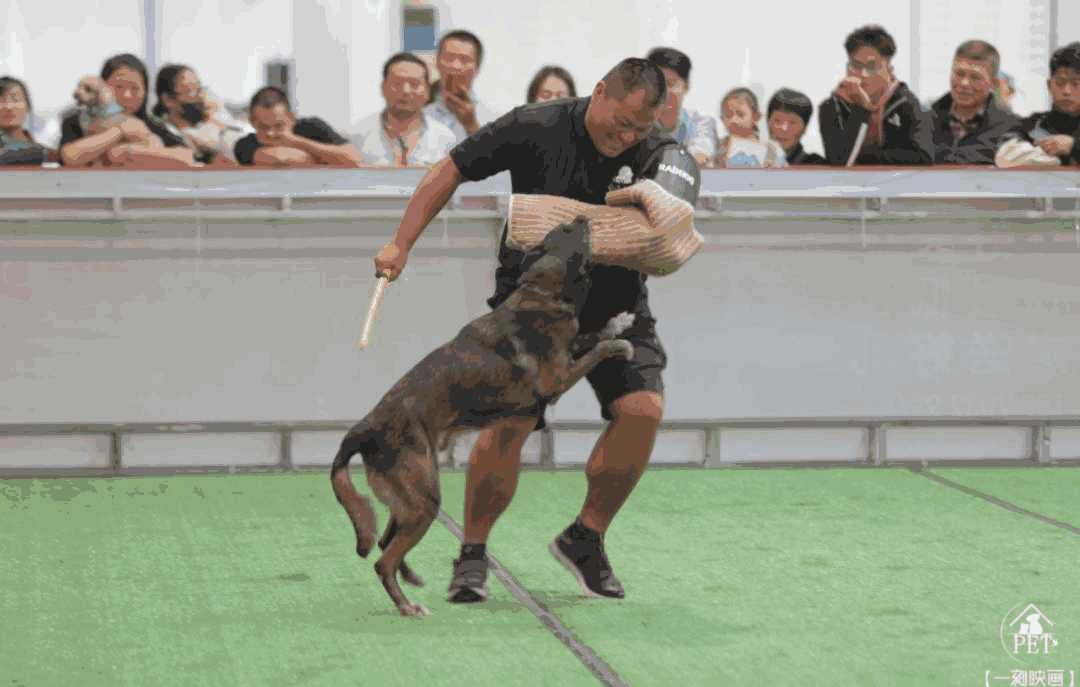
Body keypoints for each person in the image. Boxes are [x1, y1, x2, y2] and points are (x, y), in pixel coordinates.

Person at [372, 57, 700, 603]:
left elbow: (672, 220)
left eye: (640, 129)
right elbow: (451, 167)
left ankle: (586, 537)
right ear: (599, 93)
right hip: (528, 309)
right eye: (620, 123)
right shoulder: (535, 125)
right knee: (508, 427)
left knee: (643, 410)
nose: (627, 137)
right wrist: (400, 243)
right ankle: (472, 552)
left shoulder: (657, 149)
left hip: (616, 307)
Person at [819, 25, 933, 166]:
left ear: (889, 70)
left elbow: (923, 158)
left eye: (872, 67)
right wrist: (861, 109)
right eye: (856, 66)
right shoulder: (831, 107)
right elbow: (840, 162)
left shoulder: (908, 104)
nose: (863, 74)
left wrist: (864, 158)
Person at [59, 53, 195, 169]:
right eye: (119, 87)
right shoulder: (76, 121)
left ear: (145, 92)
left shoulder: (152, 124)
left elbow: (187, 156)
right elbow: (69, 156)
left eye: (135, 89)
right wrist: (119, 131)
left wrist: (128, 152)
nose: (127, 95)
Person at [351, 52, 456, 167]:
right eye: (397, 83)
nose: (406, 91)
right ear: (383, 88)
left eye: (414, 84)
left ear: (427, 91)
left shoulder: (445, 139)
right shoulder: (356, 136)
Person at [929, 41, 1019, 165]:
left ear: (993, 83)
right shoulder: (925, 120)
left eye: (975, 77)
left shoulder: (1009, 127)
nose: (964, 83)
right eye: (959, 74)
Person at [996, 42, 1080, 167]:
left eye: (1075, 83)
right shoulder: (1033, 126)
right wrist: (1032, 148)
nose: (1066, 91)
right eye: (1060, 82)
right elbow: (1006, 146)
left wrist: (1073, 146)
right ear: (1049, 85)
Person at [233, 86, 361, 167]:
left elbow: (354, 158)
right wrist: (325, 158)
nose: (271, 133)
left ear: (291, 118)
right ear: (252, 121)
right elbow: (282, 158)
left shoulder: (312, 127)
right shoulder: (245, 145)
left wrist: (298, 142)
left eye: (278, 126)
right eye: (264, 127)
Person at [152, 63, 251, 165]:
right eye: (191, 91)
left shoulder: (212, 130)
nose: (201, 97)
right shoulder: (162, 138)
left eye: (199, 89)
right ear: (168, 100)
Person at [646, 47, 718, 166]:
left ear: (686, 87)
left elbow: (700, 155)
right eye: (657, 83)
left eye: (670, 84)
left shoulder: (701, 122)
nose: (663, 91)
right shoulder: (637, 121)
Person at [424, 29, 497, 142]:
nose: (456, 66)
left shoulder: (491, 118)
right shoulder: (418, 114)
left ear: (477, 68)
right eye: (449, 58)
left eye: (465, 60)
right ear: (437, 62)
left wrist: (471, 125)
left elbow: (495, 158)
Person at [713, 87, 787, 168]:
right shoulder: (716, 147)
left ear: (756, 117)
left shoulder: (773, 150)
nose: (733, 120)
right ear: (722, 119)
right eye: (728, 115)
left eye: (740, 114)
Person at [767, 88, 827, 165]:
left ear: (804, 128)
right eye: (777, 120)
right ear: (768, 122)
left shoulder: (816, 165)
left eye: (792, 122)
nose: (783, 128)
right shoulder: (752, 158)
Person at [0, 76, 52, 165]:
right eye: (1, 101)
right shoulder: (41, 152)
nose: (8, 107)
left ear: (28, 106)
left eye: (15, 100)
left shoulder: (48, 153)